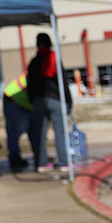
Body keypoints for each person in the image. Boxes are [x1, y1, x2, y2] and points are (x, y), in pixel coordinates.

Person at [26, 33, 75, 172]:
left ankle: (41, 163)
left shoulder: (33, 62)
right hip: (54, 99)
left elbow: (29, 83)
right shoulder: (53, 59)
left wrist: (32, 100)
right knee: (59, 131)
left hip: (38, 100)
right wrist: (68, 100)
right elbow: (63, 81)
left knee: (40, 132)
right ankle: (64, 163)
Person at [1, 72, 39, 172]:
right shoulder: (37, 77)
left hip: (22, 100)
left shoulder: (37, 74)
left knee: (34, 131)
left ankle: (39, 157)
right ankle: (14, 158)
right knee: (15, 131)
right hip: (14, 99)